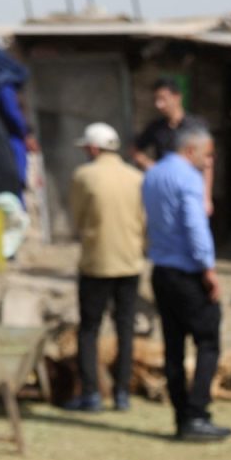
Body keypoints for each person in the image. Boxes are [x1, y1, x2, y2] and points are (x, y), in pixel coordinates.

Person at [143, 122, 230, 442]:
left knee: (173, 349)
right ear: (191, 149)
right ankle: (197, 414)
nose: (208, 162)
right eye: (206, 155)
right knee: (208, 343)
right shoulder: (188, 178)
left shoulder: (152, 174)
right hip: (188, 273)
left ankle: (181, 416)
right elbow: (196, 226)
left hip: (161, 271)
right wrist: (209, 270)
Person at [65, 122, 145, 413]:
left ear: (93, 148)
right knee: (125, 328)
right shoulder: (136, 177)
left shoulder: (84, 176)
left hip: (96, 264)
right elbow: (144, 220)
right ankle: (122, 393)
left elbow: (76, 218)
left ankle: (91, 394)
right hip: (129, 262)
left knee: (89, 329)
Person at [132, 78, 211, 213]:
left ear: (177, 97)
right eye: (156, 100)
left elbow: (208, 162)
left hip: (189, 187)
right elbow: (135, 149)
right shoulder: (155, 127)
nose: (158, 104)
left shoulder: (195, 126)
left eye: (163, 99)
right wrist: (149, 165)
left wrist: (206, 197)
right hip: (163, 189)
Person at [0, 47, 34, 189]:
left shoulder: (3, 86)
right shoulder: (5, 84)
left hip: (12, 140)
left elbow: (12, 113)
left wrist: (25, 134)